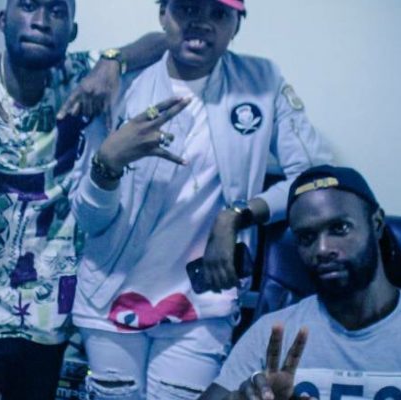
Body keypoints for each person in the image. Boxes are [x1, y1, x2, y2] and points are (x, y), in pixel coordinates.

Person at [0, 1, 170, 398]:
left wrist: (112, 60)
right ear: (3, 20)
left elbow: (163, 41)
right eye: (27, 6)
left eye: (57, 11)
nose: (42, 21)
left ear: (72, 31)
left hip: (46, 313)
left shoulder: (80, 77)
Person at [70, 0, 333, 397]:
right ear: (163, 14)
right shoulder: (121, 86)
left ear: (237, 24)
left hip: (202, 303)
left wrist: (237, 216)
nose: (202, 23)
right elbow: (89, 221)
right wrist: (108, 163)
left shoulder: (260, 83)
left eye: (219, 13)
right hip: (108, 295)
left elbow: (312, 177)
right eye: (188, 9)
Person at [199, 165, 401, 400]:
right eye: (306, 237)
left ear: (376, 224)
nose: (322, 249)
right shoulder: (271, 333)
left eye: (339, 228)